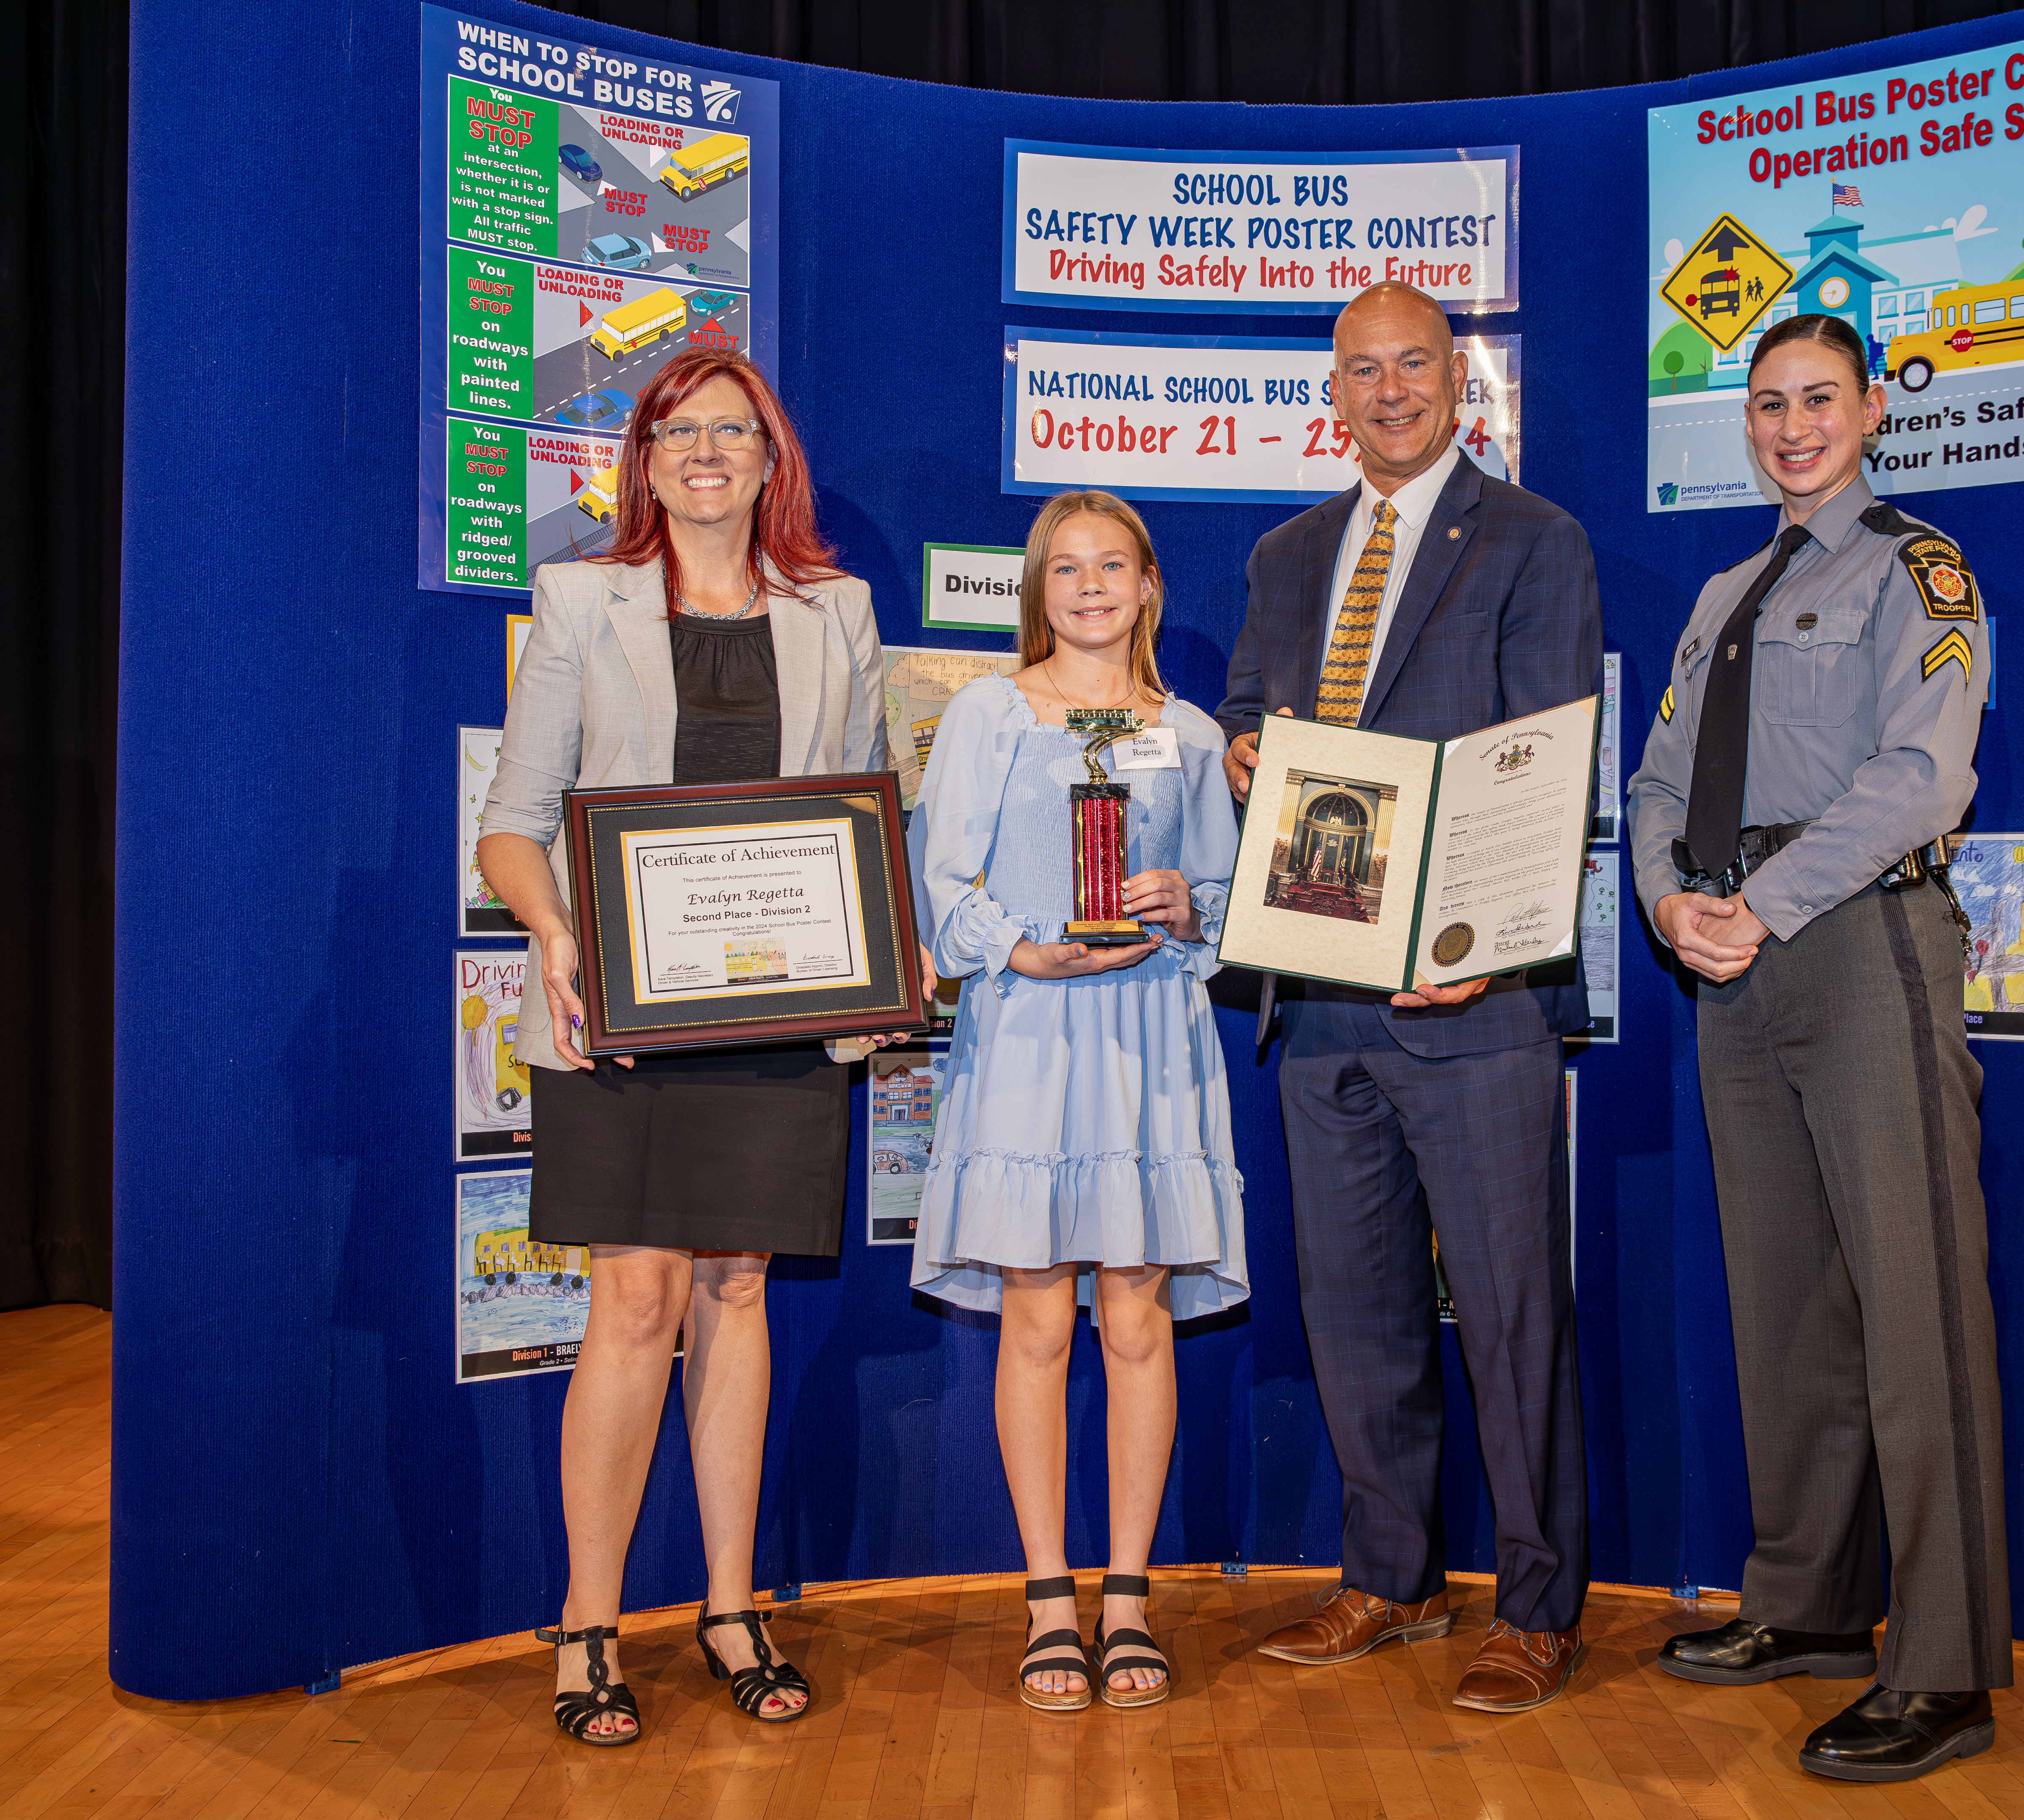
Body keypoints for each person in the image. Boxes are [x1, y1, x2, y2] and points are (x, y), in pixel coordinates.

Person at [476, 345, 918, 1746]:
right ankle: (590, 1622)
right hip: (620, 1009)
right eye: (679, 429)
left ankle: (733, 1607)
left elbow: (870, 814)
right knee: (635, 1303)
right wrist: (555, 933)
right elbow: (513, 819)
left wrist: (874, 957)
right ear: (647, 458)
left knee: (736, 1292)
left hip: (778, 1018)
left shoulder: (837, 610)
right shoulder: (582, 602)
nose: (706, 450)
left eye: (732, 429)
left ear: (770, 458)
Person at [1623, 312, 2008, 1783]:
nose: (1792, 427)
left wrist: (1761, 905)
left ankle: (1949, 1664)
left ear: (1869, 411)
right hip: (1728, 958)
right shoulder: (1725, 590)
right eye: (1769, 405)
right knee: (1784, 1304)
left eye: (1818, 401)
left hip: (1856, 940)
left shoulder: (1920, 569)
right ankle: (1812, 1604)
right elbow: (1659, 775)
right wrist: (1672, 901)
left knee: (1916, 1308)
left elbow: (1925, 773)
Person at [1216, 282, 1602, 1713]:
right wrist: (1251, 747)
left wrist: (1487, 942)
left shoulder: (1534, 539)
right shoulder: (1283, 553)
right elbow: (1255, 704)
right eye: (1361, 369)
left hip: (1473, 996)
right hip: (1316, 988)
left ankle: (1540, 1603)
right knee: (1356, 1306)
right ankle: (1391, 1578)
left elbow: (1543, 762)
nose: (1388, 391)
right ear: (1335, 389)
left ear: (1461, 383)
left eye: (1414, 366)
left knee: (1509, 1312)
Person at [911, 490, 1246, 1712]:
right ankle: (1050, 1592)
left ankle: (1129, 1591)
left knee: (1140, 1317)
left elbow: (1223, 909)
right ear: (1037, 590)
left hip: (1150, 1036)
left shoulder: (1194, 734)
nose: (1092, 586)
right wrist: (1018, 946)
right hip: (1030, 1032)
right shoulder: (988, 714)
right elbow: (941, 882)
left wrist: (1184, 906)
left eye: (1114, 566)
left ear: (1151, 586)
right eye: (1067, 568)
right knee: (1038, 1321)